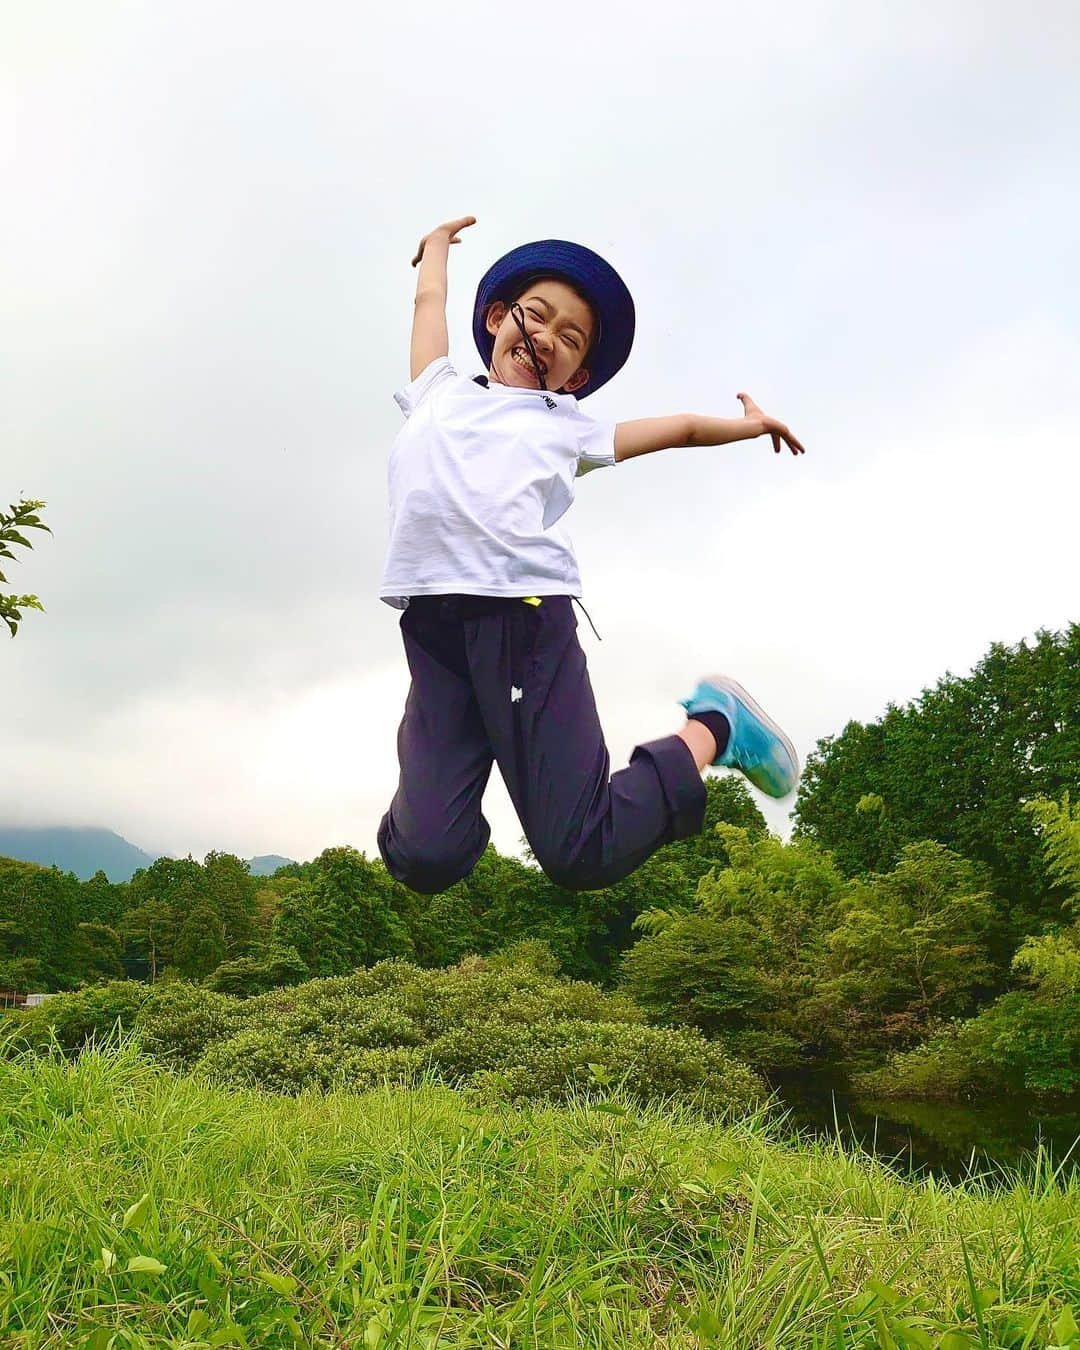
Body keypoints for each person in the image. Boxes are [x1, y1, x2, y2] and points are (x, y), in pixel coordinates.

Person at [377, 216, 806, 895]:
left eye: (569, 339)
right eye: (537, 317)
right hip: (434, 632)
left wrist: (749, 426)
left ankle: (715, 726)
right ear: (495, 318)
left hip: (521, 623)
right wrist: (433, 252)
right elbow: (430, 306)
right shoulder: (437, 390)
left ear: (576, 379)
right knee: (425, 856)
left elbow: (683, 429)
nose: (546, 338)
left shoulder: (563, 427)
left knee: (582, 853)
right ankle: (456, 796)